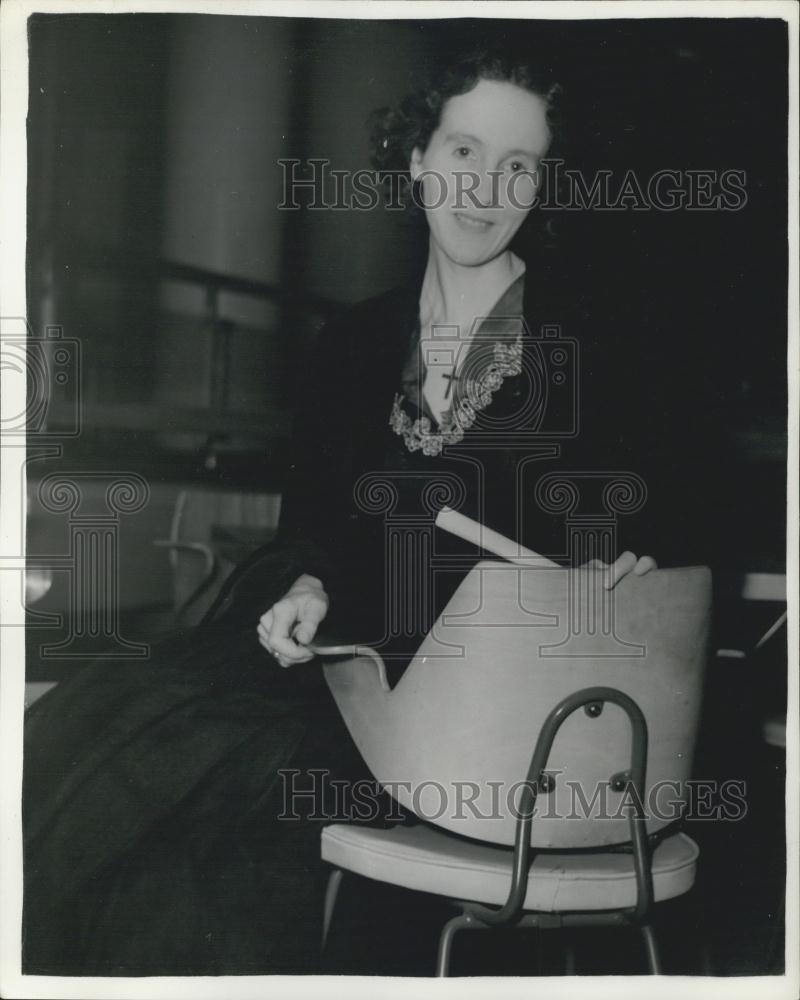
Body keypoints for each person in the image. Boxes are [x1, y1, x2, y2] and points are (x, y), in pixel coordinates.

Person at [23, 48, 658, 977]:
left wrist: (631, 566)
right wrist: (309, 583)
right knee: (101, 713)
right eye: (464, 152)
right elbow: (309, 530)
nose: (484, 188)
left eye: (518, 165)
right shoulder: (353, 343)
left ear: (543, 184)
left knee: (235, 763)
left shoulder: (595, 347)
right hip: (351, 676)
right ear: (417, 160)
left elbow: (656, 534)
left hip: (503, 727)